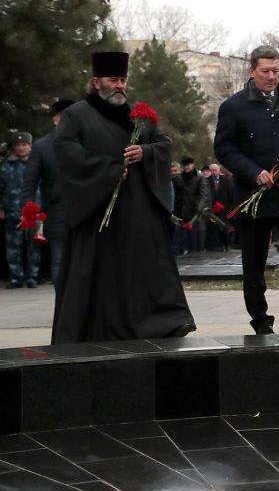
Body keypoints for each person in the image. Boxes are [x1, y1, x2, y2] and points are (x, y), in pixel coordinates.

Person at [51, 51, 195, 343]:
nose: (120, 85)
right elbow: (66, 154)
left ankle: (155, 324)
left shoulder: (137, 116)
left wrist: (146, 152)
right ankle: (96, 330)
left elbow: (163, 144)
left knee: (142, 270)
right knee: (99, 275)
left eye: (123, 80)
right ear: (96, 82)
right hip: (97, 211)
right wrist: (108, 171)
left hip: (137, 210)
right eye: (113, 79)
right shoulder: (75, 115)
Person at [215, 45, 279, 335]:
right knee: (255, 264)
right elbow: (223, 148)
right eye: (265, 71)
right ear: (252, 71)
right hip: (254, 198)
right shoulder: (233, 106)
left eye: (276, 71)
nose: (272, 77)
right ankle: (260, 321)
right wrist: (253, 172)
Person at [20, 100, 74, 285]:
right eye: (63, 117)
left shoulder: (88, 142)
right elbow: (30, 181)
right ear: (55, 120)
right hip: (56, 212)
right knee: (59, 261)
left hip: (87, 211)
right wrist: (28, 210)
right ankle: (63, 308)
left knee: (86, 263)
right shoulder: (42, 146)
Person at [0, 131, 40, 288]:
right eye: (18, 145)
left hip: (33, 210)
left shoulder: (37, 163)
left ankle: (32, 277)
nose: (21, 148)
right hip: (12, 211)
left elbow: (46, 186)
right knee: (13, 247)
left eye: (24, 145)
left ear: (30, 146)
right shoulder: (5, 166)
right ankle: (16, 278)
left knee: (33, 246)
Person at [171, 155, 209, 255]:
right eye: (185, 165)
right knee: (178, 234)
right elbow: (175, 194)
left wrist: (200, 207)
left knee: (196, 235)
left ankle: (196, 252)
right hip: (180, 210)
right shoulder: (178, 178)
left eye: (189, 164)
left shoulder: (200, 178)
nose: (187, 167)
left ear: (192, 165)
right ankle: (178, 251)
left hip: (195, 210)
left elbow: (203, 194)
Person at [205, 163, 234, 251]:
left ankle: (226, 244)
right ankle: (217, 245)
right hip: (212, 209)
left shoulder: (226, 180)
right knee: (214, 227)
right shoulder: (206, 181)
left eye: (215, 170)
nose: (214, 172)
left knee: (224, 227)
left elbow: (230, 194)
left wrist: (230, 207)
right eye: (212, 170)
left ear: (219, 170)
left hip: (224, 208)